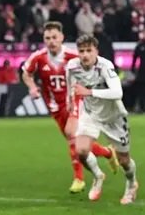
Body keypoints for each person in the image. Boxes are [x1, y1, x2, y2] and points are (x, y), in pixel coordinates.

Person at [22, 21, 117, 194]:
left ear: (62, 37)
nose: (51, 41)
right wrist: (32, 87)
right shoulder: (38, 57)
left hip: (75, 101)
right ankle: (108, 152)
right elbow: (26, 73)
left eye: (54, 37)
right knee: (77, 142)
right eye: (47, 38)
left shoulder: (73, 56)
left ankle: (78, 178)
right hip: (55, 106)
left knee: (72, 135)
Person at [66, 34, 139, 204]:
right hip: (90, 113)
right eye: (81, 51)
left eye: (89, 50)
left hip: (113, 117)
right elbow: (70, 83)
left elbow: (117, 92)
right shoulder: (72, 66)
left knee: (124, 161)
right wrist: (70, 101)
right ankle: (98, 176)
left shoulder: (105, 66)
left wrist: (89, 92)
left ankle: (131, 184)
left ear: (96, 51)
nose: (85, 55)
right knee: (81, 151)